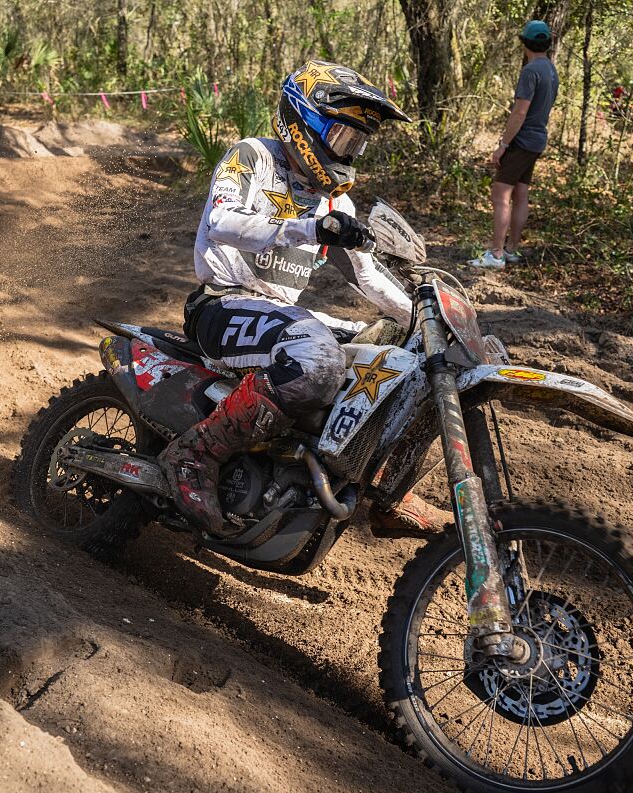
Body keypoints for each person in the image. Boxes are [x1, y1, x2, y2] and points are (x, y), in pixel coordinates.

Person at [160, 60, 439, 537]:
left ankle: (386, 488)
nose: (349, 152)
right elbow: (221, 223)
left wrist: (426, 318)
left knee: (412, 360)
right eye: (343, 137)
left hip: (282, 315)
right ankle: (196, 452)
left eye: (358, 144)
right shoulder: (253, 157)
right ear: (303, 120)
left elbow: (368, 279)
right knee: (317, 357)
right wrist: (307, 226)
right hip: (222, 302)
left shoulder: (336, 201)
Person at [469, 20, 559, 268]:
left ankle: (496, 254)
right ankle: (511, 250)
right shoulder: (551, 69)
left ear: (524, 43)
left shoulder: (531, 71)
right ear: (547, 43)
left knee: (501, 194)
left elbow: (519, 113)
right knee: (521, 193)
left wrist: (503, 144)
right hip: (537, 139)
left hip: (522, 141)